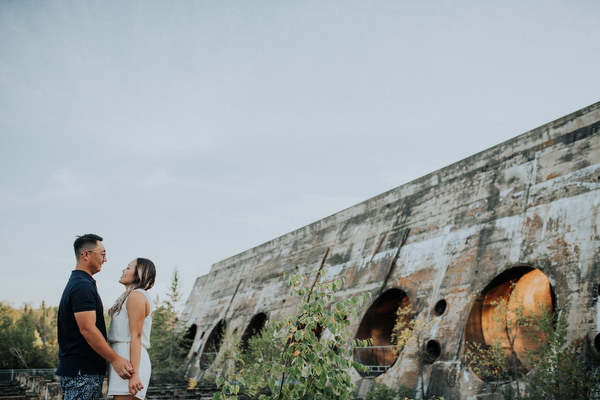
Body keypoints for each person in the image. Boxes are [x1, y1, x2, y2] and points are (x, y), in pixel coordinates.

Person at [57, 234, 134, 400]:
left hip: (80, 370)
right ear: (86, 254)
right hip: (82, 372)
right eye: (103, 254)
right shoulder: (82, 286)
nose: (105, 259)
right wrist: (115, 360)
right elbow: (88, 329)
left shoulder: (80, 282)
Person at [107, 258, 156, 399]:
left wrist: (135, 374)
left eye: (128, 268)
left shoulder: (136, 296)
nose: (123, 270)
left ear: (139, 273)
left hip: (131, 363)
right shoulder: (130, 295)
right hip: (124, 360)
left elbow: (136, 336)